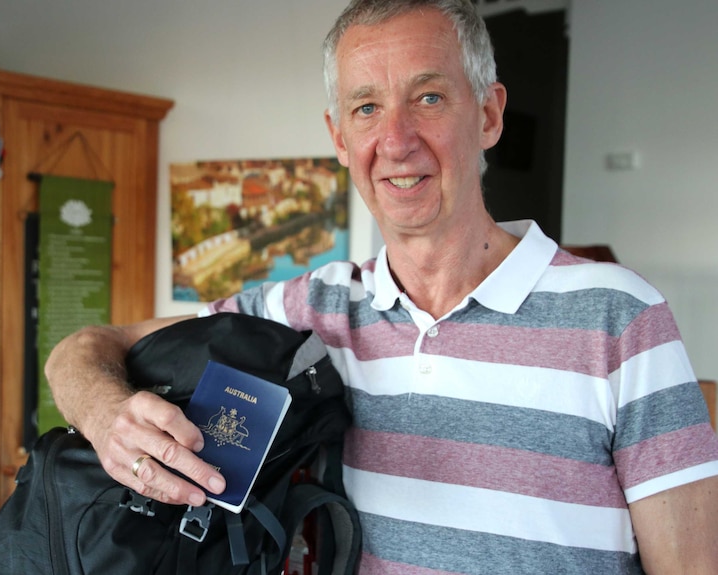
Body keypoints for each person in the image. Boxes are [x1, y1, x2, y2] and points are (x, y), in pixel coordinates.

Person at [44, 0, 718, 572]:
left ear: (488, 114)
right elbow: (87, 345)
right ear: (340, 136)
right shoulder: (309, 311)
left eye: (428, 97)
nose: (395, 140)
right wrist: (105, 417)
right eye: (366, 107)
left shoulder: (621, 316)